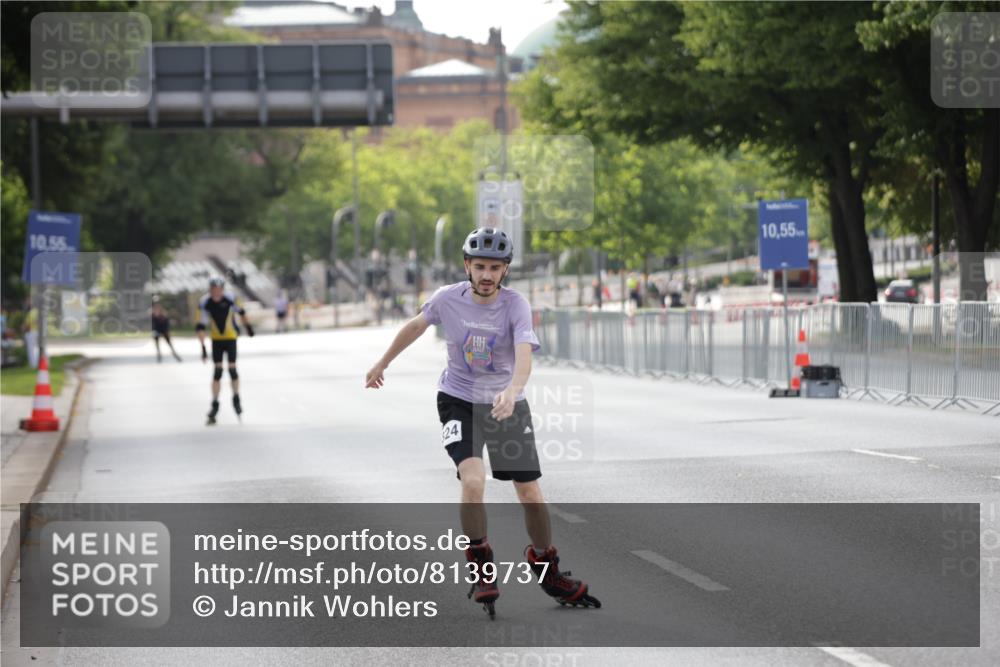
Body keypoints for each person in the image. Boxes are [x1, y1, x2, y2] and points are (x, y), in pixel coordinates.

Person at [365, 227, 600, 617]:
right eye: (479, 267)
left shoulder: (515, 305)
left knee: (530, 493)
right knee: (473, 482)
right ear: (467, 267)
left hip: (507, 404)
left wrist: (513, 388)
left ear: (505, 270)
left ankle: (547, 567)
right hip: (457, 400)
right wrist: (381, 362)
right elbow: (415, 326)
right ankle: (481, 563)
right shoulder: (447, 299)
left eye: (494, 267)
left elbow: (524, 353)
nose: (487, 275)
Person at [196, 278, 254, 425]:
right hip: (216, 340)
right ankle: (215, 404)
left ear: (222, 289)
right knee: (218, 372)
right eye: (213, 289)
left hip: (230, 338)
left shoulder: (230, 298)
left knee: (232, 369)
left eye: (218, 289)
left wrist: (248, 327)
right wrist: (203, 348)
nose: (216, 292)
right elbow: (201, 326)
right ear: (210, 289)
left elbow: (241, 312)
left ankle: (236, 397)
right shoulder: (205, 302)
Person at [151, 297, 182, 363]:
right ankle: (159, 355)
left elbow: (166, 322)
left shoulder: (163, 312)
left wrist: (167, 330)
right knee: (157, 344)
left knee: (169, 343)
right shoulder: (152, 312)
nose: (157, 305)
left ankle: (175, 354)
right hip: (156, 330)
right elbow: (151, 323)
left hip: (163, 330)